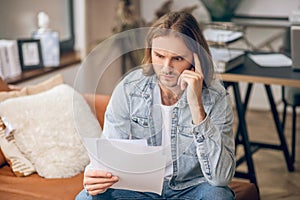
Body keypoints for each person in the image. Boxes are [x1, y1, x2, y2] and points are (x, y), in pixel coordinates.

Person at [76, 11, 235, 200]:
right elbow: (110, 154)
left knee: (219, 196)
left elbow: (220, 178)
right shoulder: (129, 89)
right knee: (86, 197)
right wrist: (95, 175)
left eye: (177, 58)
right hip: (139, 190)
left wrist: (196, 105)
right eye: (159, 55)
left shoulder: (216, 96)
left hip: (191, 188)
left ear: (196, 58)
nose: (166, 67)